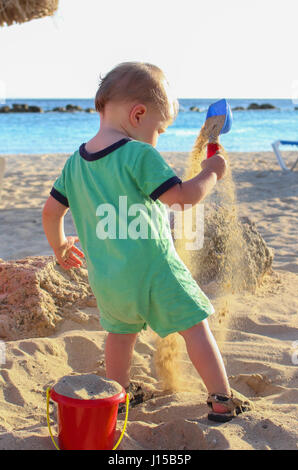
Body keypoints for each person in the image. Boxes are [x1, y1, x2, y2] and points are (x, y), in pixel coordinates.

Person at [42, 62, 252, 422]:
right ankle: (221, 398)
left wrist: (61, 247)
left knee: (120, 336)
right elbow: (183, 198)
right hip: (156, 269)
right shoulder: (139, 154)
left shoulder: (75, 163)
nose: (158, 137)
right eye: (160, 128)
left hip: (108, 278)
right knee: (195, 326)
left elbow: (51, 211)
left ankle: (117, 398)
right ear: (138, 114)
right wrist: (211, 172)